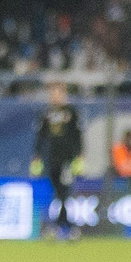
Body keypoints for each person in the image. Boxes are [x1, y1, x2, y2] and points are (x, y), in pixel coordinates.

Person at [31, 81, 84, 241]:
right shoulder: (45, 113)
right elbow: (41, 136)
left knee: (64, 192)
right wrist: (37, 156)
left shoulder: (71, 112)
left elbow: (77, 134)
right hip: (51, 158)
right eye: (53, 94)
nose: (55, 97)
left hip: (67, 158)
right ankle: (65, 226)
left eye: (58, 93)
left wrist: (79, 155)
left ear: (64, 95)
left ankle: (62, 227)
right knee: (58, 192)